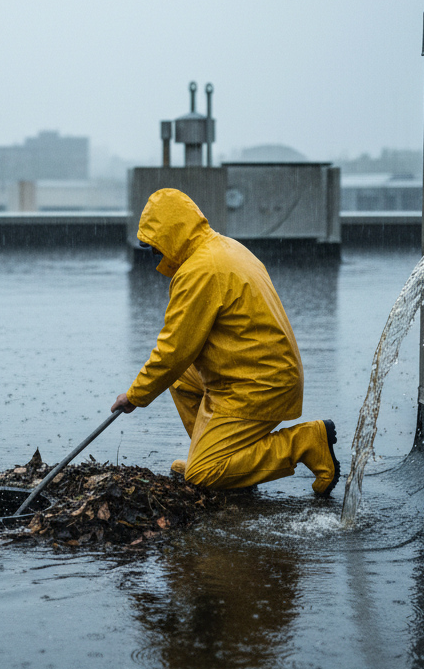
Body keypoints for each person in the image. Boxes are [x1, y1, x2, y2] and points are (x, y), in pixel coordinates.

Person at [111, 188, 339, 494]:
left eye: (155, 248)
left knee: (202, 476)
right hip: (254, 370)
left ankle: (306, 443)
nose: (156, 257)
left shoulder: (199, 271)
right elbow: (179, 360)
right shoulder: (224, 248)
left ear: (170, 236)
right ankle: (224, 460)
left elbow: (174, 351)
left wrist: (135, 395)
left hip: (258, 384)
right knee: (180, 381)